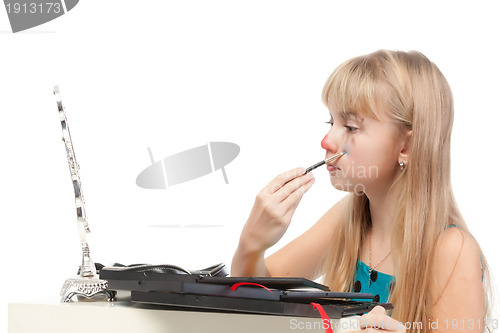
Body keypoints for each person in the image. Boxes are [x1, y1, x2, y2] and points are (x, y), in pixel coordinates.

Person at [231, 50, 492, 332]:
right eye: (332, 123)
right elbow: (251, 300)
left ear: (407, 147)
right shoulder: (348, 218)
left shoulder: (452, 250)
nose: (327, 141)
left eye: (351, 127)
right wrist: (252, 243)